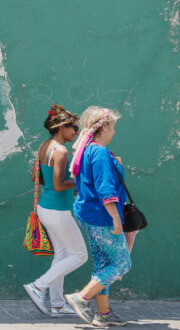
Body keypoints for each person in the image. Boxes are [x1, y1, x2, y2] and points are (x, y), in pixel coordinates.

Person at [64, 107, 131, 327]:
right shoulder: (100, 152)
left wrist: (115, 165)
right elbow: (104, 188)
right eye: (113, 127)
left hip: (86, 213)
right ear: (103, 127)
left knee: (103, 263)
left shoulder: (89, 150)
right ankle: (81, 297)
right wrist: (115, 218)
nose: (115, 132)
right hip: (101, 215)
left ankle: (103, 314)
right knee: (121, 263)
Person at [23, 104, 88, 316]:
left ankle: (58, 304)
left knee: (61, 256)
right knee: (79, 255)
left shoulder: (45, 145)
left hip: (46, 207)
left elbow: (37, 177)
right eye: (73, 128)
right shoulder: (60, 151)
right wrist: (80, 182)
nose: (76, 132)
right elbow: (59, 185)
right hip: (58, 211)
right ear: (61, 128)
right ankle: (38, 286)